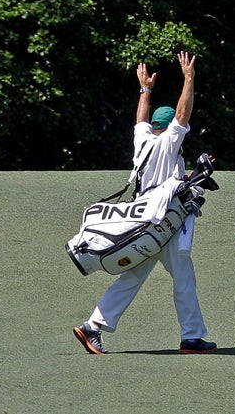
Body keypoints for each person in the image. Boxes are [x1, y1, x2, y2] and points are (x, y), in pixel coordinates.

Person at [73, 51, 217, 354]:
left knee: (137, 274)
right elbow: (182, 115)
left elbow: (140, 119)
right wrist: (188, 78)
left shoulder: (143, 139)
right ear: (167, 130)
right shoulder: (167, 141)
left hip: (146, 221)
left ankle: (94, 326)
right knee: (181, 275)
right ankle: (191, 337)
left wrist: (145, 90)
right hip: (166, 221)